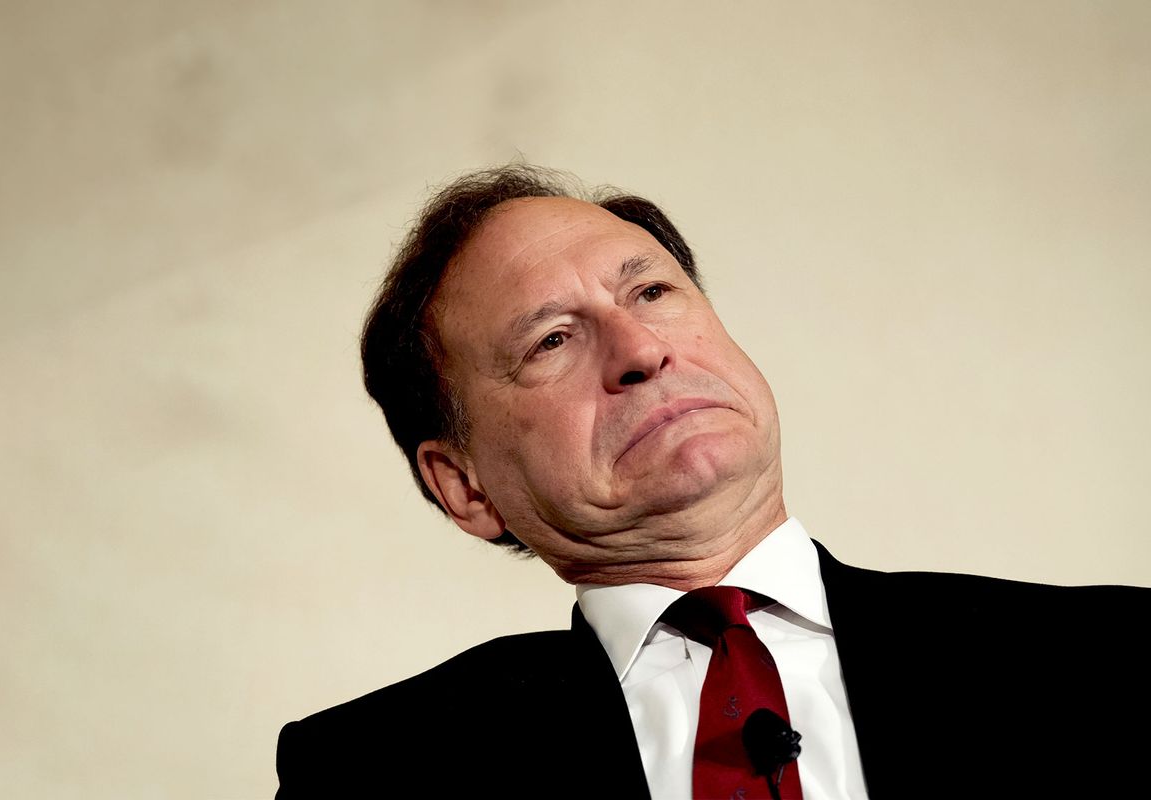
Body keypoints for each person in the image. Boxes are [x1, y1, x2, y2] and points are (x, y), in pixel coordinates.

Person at [275, 165, 1148, 799]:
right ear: (464, 486)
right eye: (551, 340)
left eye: (653, 291)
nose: (642, 351)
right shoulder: (375, 773)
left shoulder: (1111, 658)